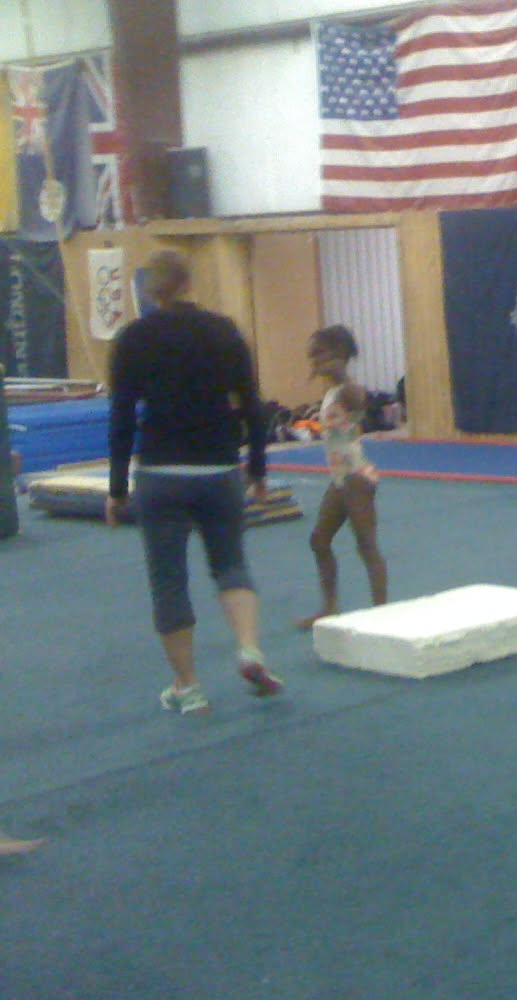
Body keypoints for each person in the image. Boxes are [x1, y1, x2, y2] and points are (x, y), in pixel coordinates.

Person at [106, 249, 283, 715]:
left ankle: (188, 687)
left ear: (150, 290)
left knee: (169, 581)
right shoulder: (223, 331)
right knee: (231, 565)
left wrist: (117, 488)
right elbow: (252, 406)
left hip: (161, 473)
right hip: (219, 469)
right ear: (189, 283)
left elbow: (121, 416)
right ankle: (249, 648)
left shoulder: (134, 337)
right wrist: (258, 469)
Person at [298, 324, 387, 625]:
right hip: (340, 477)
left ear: (340, 355)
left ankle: (383, 612)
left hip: (356, 477)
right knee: (319, 540)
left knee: (366, 545)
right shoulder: (332, 391)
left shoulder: (350, 389)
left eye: (320, 356)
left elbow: (358, 402)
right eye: (312, 357)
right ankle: (329, 606)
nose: (315, 362)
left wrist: (339, 372)